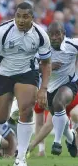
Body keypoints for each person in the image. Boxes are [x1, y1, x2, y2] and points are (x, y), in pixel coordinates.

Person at [0, 2, 52, 166]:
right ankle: (13, 112)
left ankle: (21, 157)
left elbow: (46, 63)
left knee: (27, 109)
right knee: (0, 118)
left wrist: (43, 89)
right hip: (3, 75)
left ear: (32, 17)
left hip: (27, 73)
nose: (21, 20)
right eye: (18, 16)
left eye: (25, 17)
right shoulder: (1, 32)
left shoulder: (41, 35)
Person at [31, 22, 78, 157]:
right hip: (49, 88)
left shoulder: (72, 45)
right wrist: (47, 67)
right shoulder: (41, 49)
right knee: (60, 118)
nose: (55, 37)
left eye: (58, 34)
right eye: (51, 34)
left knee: (59, 103)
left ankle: (57, 143)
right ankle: (70, 138)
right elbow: (30, 67)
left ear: (63, 34)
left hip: (70, 84)